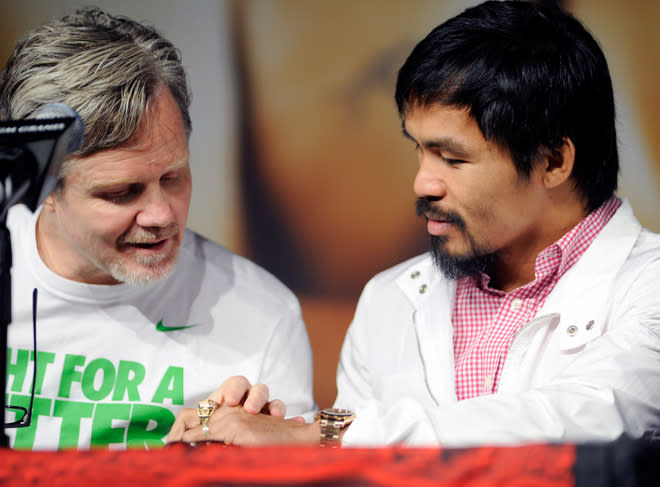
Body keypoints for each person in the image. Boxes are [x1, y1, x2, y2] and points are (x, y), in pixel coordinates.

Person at [167, 0, 660, 447]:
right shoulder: (389, 299)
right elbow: (354, 452)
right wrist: (252, 430)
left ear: (553, 160)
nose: (423, 183)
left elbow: (591, 413)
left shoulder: (650, 284)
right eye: (419, 149)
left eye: (452, 158)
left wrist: (318, 435)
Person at [1, 7, 315, 450]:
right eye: (122, 191)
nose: (161, 215)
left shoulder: (262, 314)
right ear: (44, 188)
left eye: (173, 178)